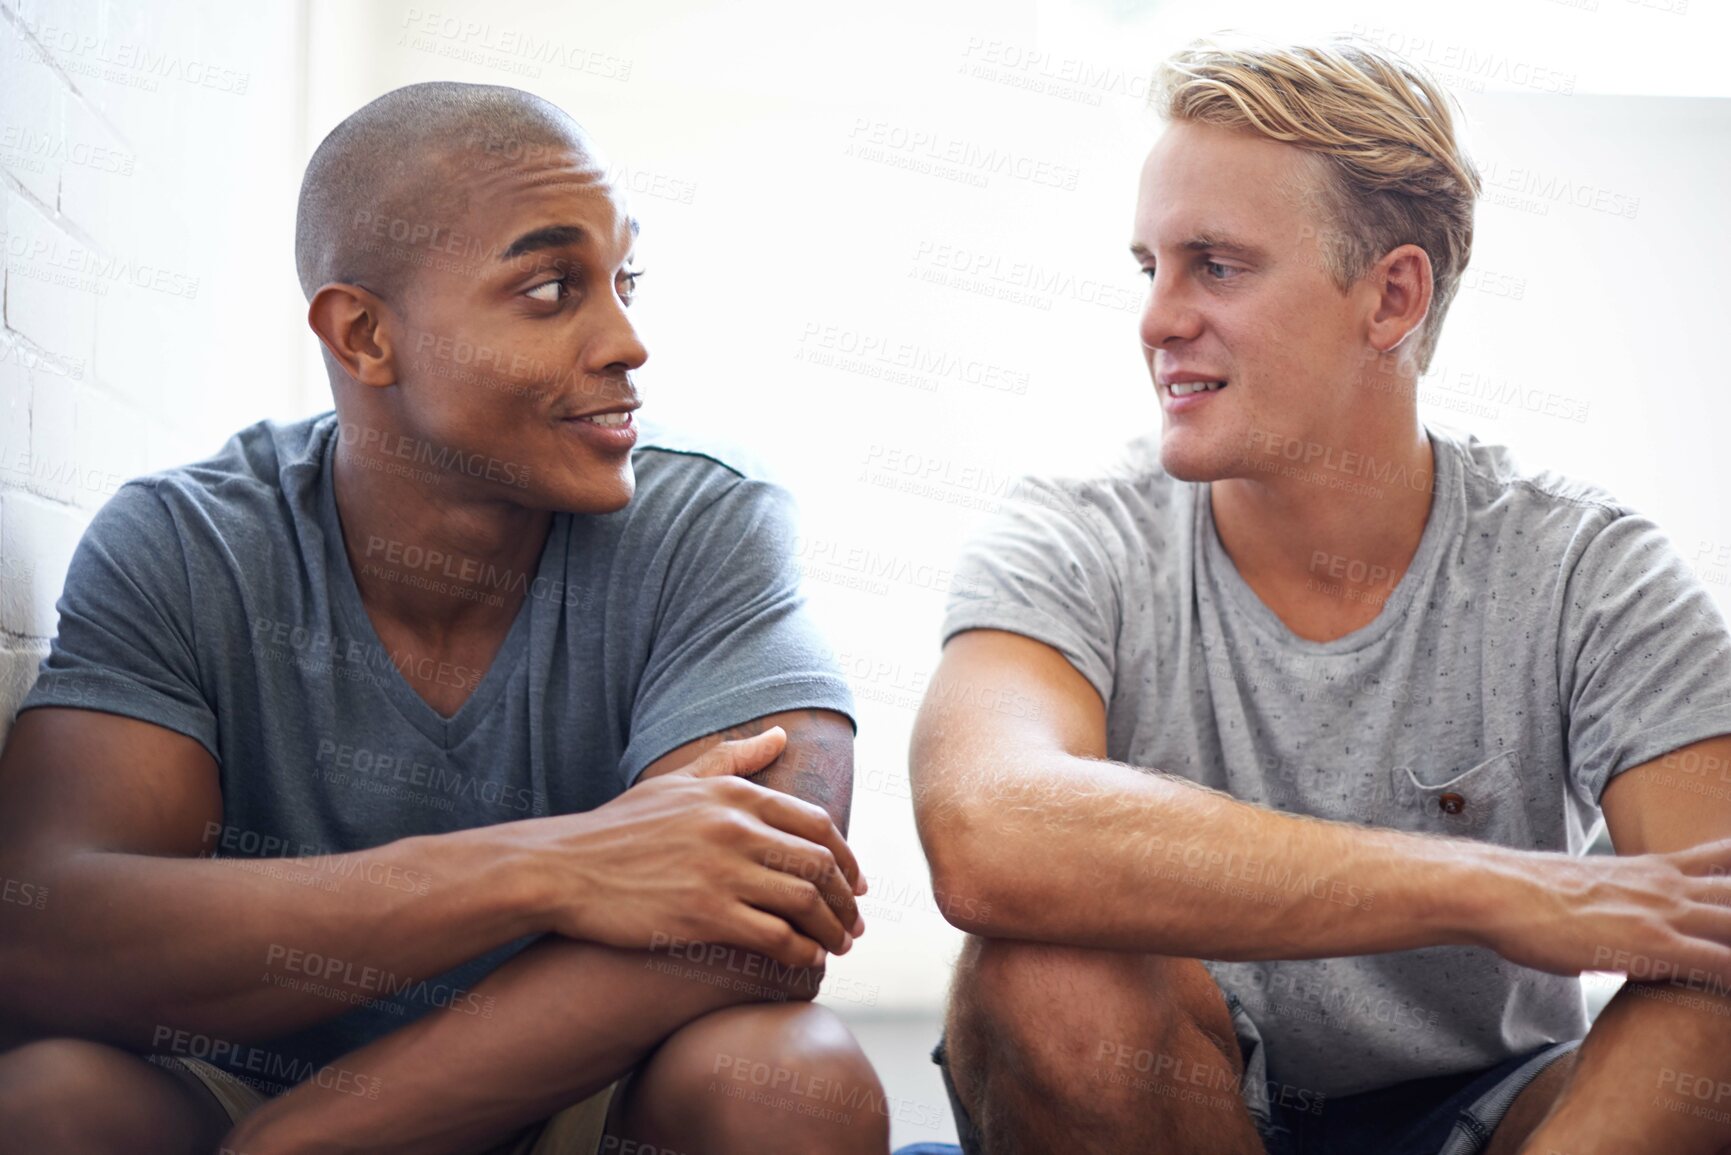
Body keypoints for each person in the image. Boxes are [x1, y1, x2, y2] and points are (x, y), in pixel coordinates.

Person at [0, 81, 888, 1155]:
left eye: (625, 278)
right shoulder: (186, 544)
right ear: (366, 335)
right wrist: (559, 864)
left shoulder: (705, 520)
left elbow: (772, 909)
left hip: (568, 1099)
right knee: (49, 1104)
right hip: (244, 1084)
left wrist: (307, 1143)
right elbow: (41, 936)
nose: (628, 341)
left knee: (798, 1083)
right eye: (555, 288)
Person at [904, 38, 1731, 1155]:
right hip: (1183, 1098)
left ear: (1391, 297)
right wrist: (1499, 889)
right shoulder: (1073, 535)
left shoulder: (1588, 568)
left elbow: (1706, 912)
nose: (1157, 320)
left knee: (1716, 1002)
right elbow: (986, 831)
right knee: (1042, 969)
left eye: (1218, 266)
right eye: (1151, 267)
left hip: (1493, 1113)